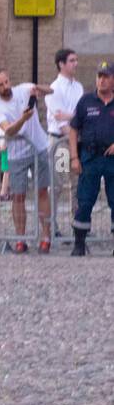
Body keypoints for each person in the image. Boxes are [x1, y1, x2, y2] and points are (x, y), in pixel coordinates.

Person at [0, 68, 53, 253]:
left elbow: (51, 90)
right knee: (18, 196)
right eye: (0, 85)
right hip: (17, 154)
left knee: (42, 191)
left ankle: (46, 235)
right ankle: (20, 238)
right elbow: (8, 130)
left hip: (38, 147)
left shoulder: (23, 89)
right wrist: (23, 118)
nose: (5, 86)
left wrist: (38, 89)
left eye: (7, 82)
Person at [67, 61, 114, 256]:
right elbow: (73, 129)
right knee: (85, 201)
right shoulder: (86, 101)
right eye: (99, 76)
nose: (101, 80)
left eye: (106, 77)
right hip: (90, 158)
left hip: (112, 160)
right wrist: (74, 157)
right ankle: (79, 244)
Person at [47, 49, 83, 238]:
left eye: (76, 60)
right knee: (58, 183)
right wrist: (73, 121)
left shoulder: (78, 88)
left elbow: (80, 115)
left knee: (77, 184)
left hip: (76, 141)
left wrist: (72, 117)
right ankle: (51, 225)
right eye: (71, 60)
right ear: (61, 64)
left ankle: (78, 224)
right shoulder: (54, 88)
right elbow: (59, 121)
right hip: (61, 143)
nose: (75, 64)